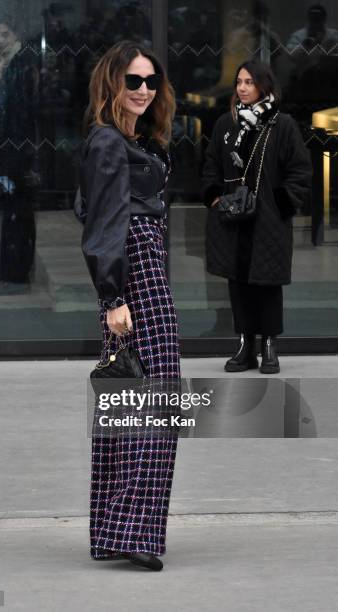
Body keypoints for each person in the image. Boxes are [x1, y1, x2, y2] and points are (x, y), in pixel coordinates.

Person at [79, 40, 179, 571]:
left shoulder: (138, 142)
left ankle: (119, 529)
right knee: (155, 400)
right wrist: (114, 296)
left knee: (130, 399)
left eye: (151, 81)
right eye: (133, 80)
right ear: (112, 82)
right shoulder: (108, 143)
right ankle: (133, 530)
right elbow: (102, 222)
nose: (144, 90)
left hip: (142, 268)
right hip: (132, 276)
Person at [201, 59, 312, 374]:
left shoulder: (282, 124)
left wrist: (281, 204)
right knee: (238, 284)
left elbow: (300, 170)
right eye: (239, 82)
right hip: (232, 220)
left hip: (267, 220)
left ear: (264, 85)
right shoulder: (226, 123)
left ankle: (269, 346)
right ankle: (245, 346)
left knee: (267, 283)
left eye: (249, 82)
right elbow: (210, 163)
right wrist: (213, 197)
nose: (242, 88)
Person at [0, 15, 39, 283]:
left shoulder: (23, 63)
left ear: (14, 36)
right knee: (3, 207)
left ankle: (19, 268)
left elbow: (27, 107)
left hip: (18, 145)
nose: (0, 40)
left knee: (19, 207)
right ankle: (9, 269)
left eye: (5, 34)